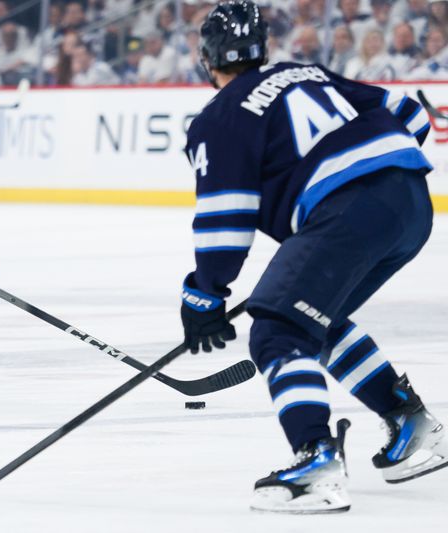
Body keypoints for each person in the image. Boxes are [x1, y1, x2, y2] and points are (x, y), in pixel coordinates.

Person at [182, 0, 447, 514]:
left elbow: (227, 216)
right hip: (411, 202)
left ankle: (316, 462)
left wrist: (204, 293)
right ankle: (410, 422)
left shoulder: (217, 118)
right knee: (313, 315)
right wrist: (378, 174)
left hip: (349, 212)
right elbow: (409, 114)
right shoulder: (302, 72)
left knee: (278, 331)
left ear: (208, 58)